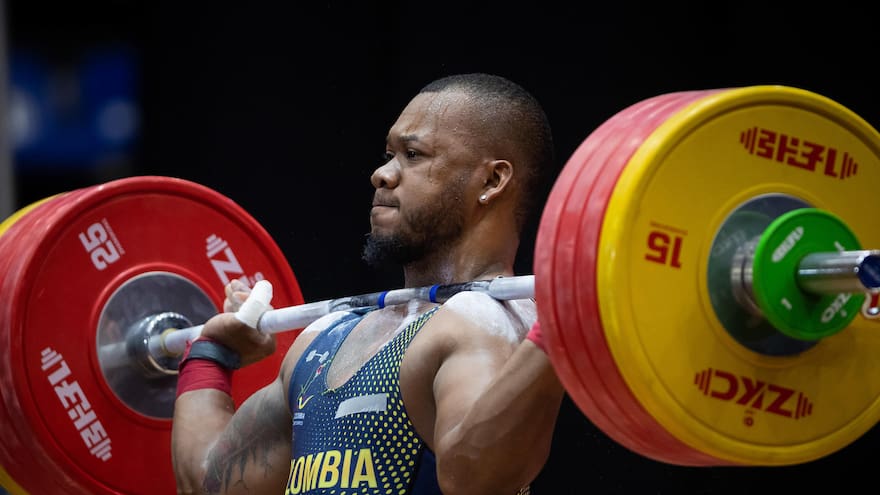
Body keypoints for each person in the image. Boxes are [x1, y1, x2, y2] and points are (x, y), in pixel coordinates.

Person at [171, 73, 565, 494]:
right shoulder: (324, 338)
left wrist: (562, 324)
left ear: (491, 182)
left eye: (413, 155)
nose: (382, 174)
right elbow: (207, 483)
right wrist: (213, 353)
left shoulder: (483, 324)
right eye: (389, 154)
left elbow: (475, 481)